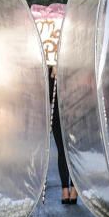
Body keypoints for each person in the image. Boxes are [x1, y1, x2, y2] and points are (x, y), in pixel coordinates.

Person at [49, 66, 77, 204]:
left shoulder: (73, 67)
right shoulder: (51, 72)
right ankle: (68, 188)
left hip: (71, 112)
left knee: (70, 150)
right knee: (66, 150)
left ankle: (70, 188)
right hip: (64, 113)